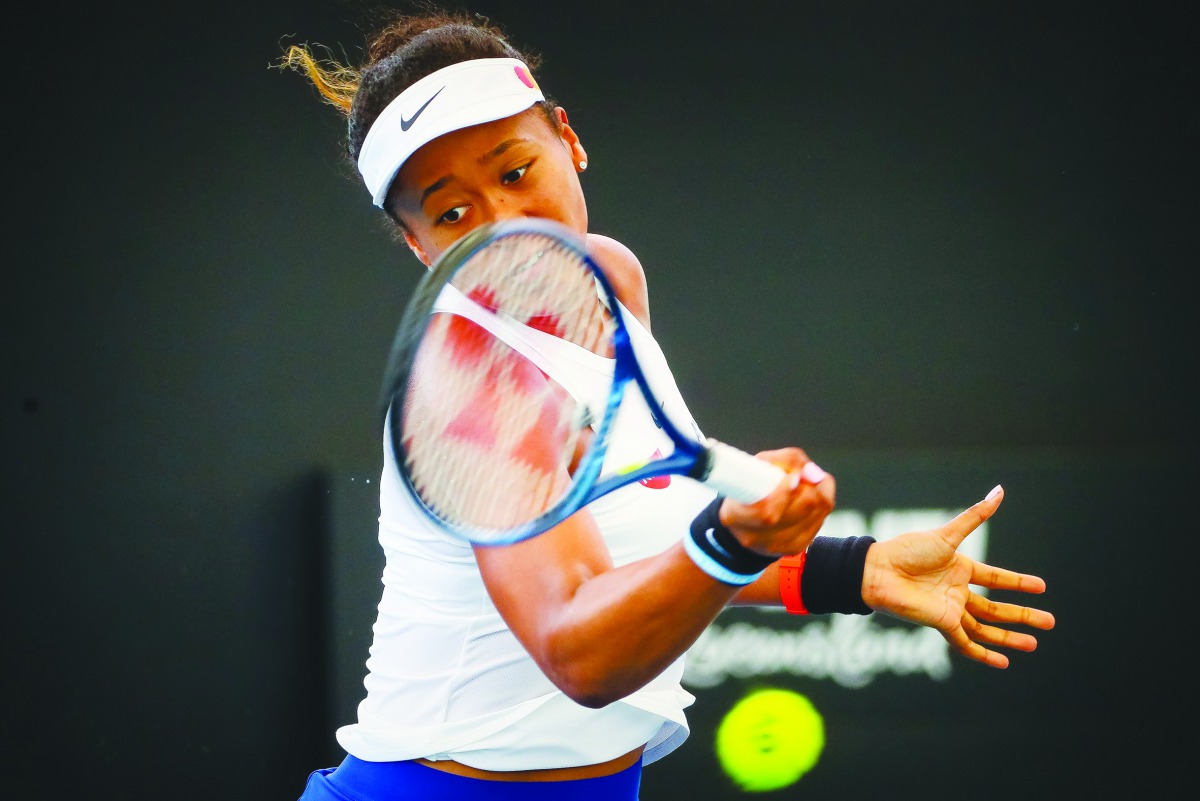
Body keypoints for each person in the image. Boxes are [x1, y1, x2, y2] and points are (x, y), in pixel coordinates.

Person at [279, 6, 1055, 799]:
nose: (503, 224)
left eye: (515, 172)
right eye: (451, 213)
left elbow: (646, 529)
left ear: (568, 140)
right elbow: (580, 653)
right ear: (418, 246)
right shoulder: (475, 385)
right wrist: (730, 538)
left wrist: (850, 568)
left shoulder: (609, 278)